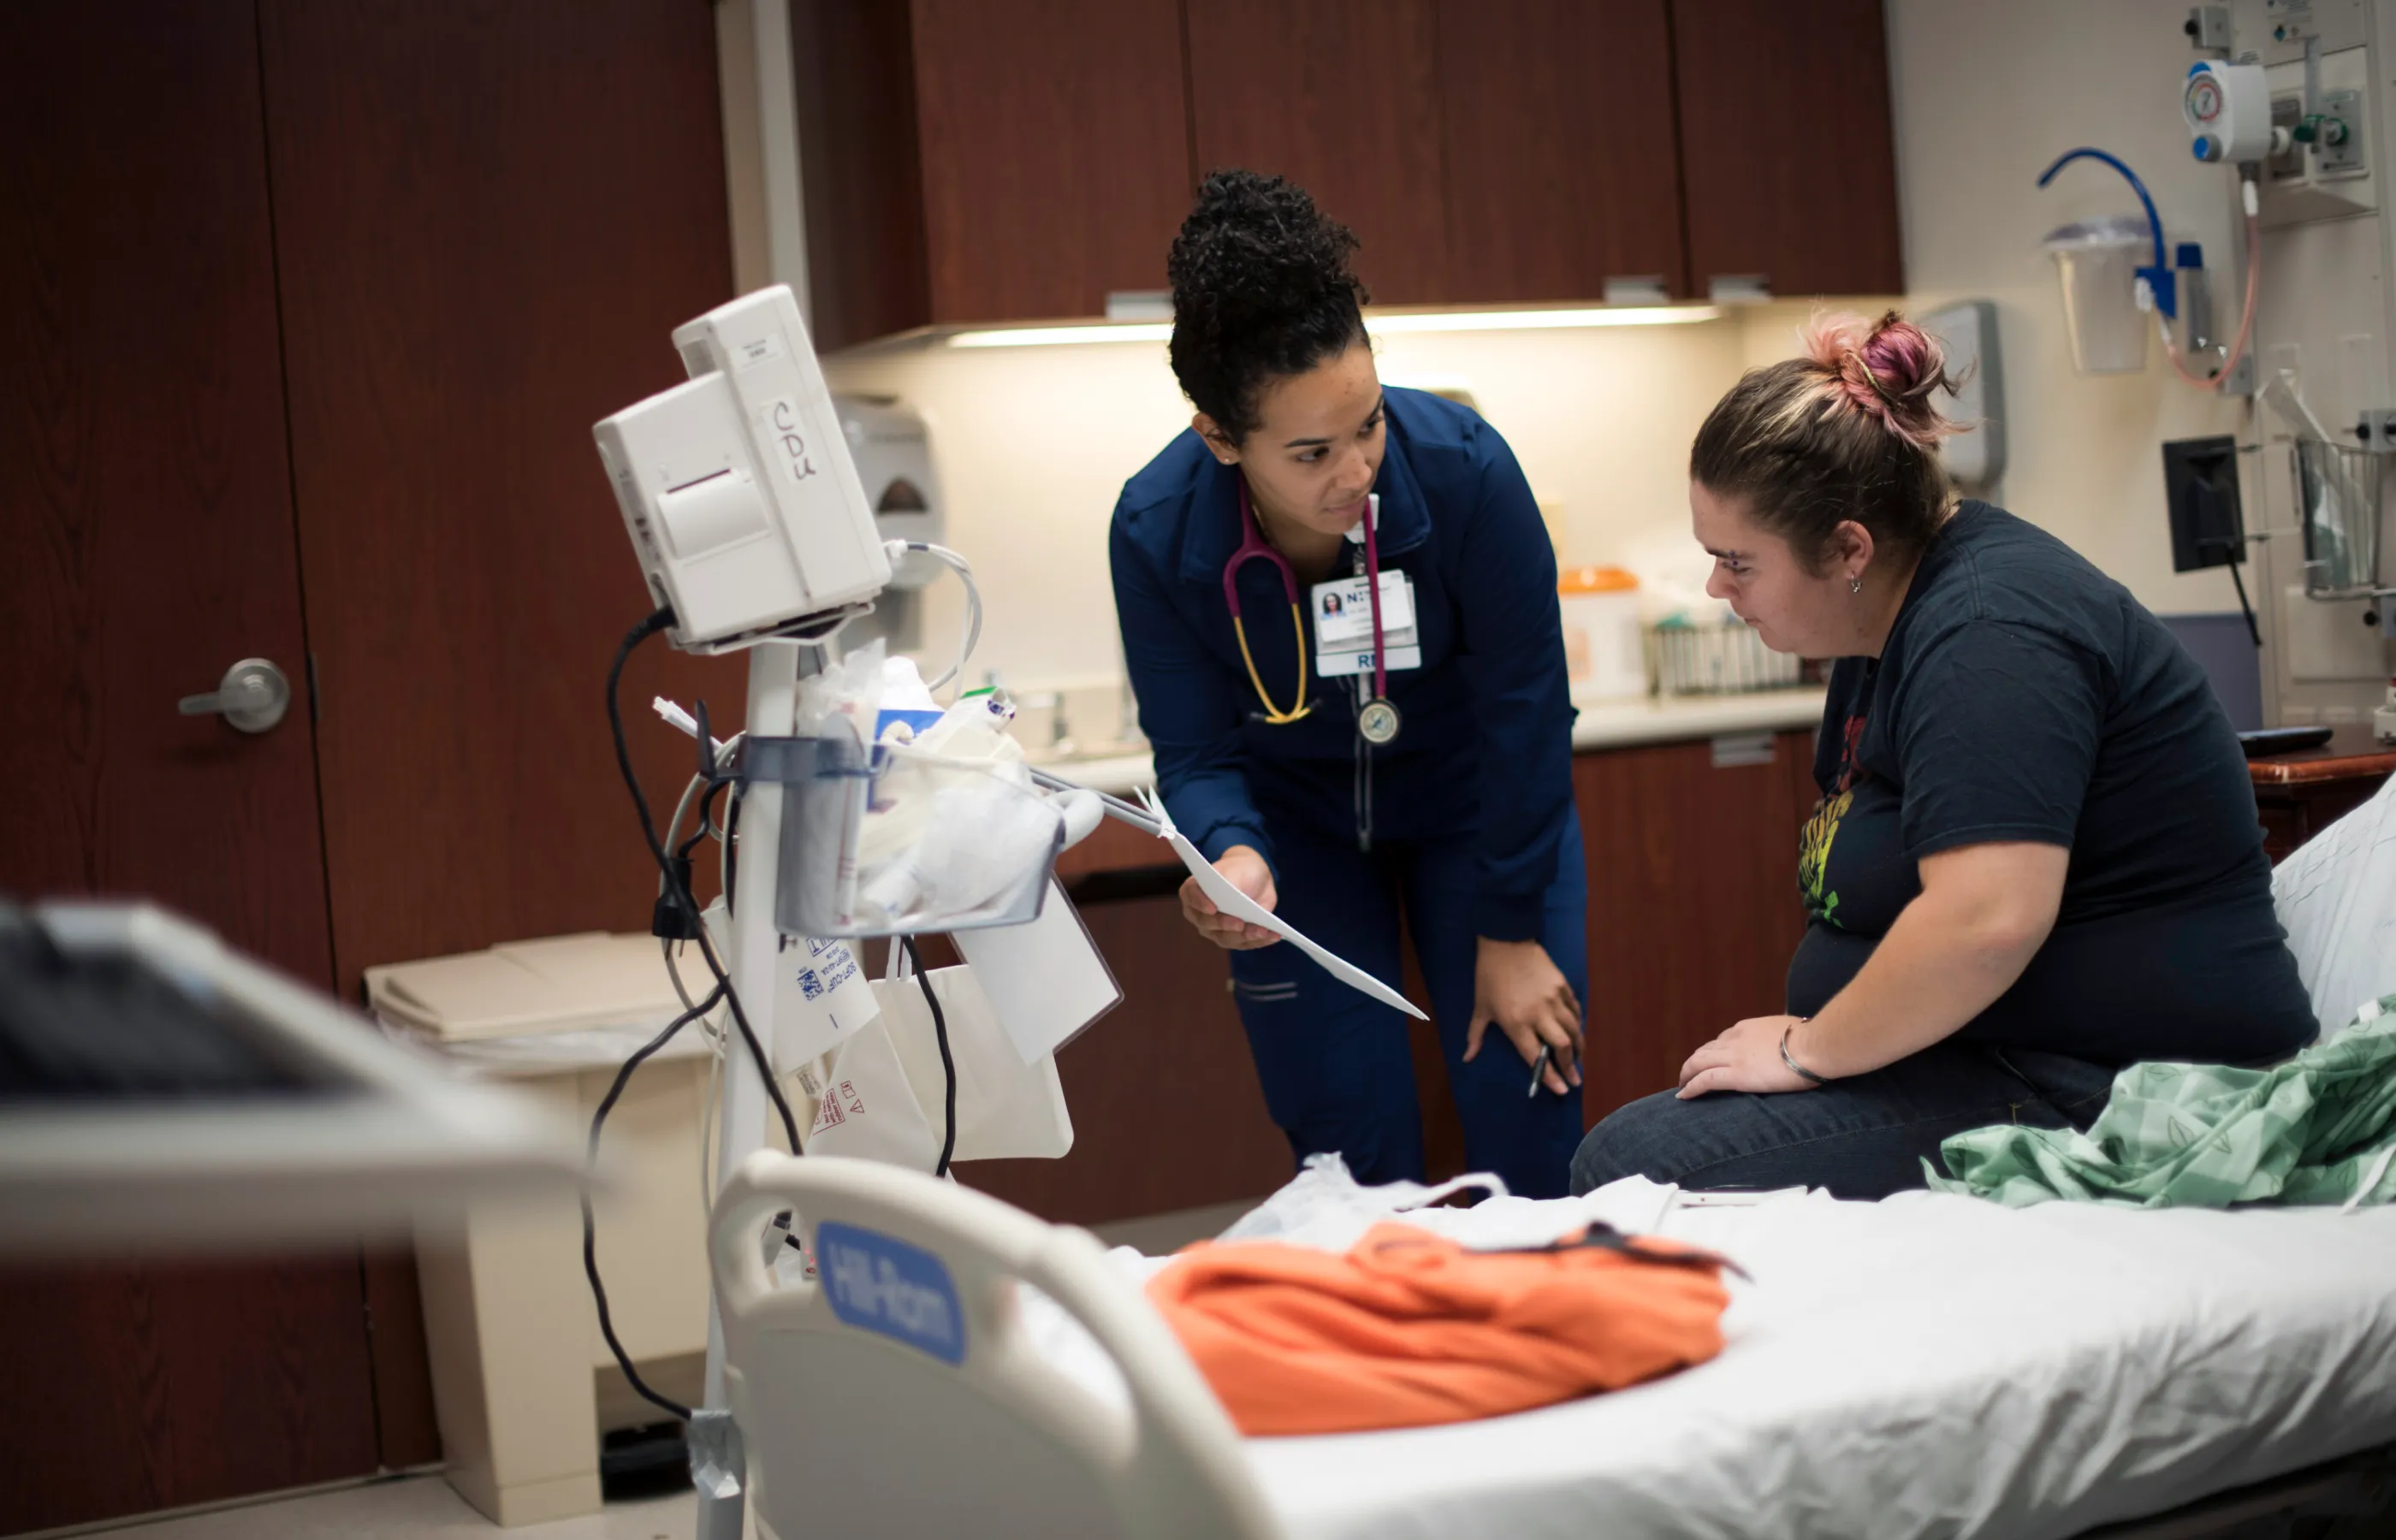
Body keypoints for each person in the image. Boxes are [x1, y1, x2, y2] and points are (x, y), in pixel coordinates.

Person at [1570, 310, 2317, 1201]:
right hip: (1993, 1058)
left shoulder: (1987, 632)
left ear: (1849, 548)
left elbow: (1986, 919)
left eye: (1737, 562)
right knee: (1645, 1151)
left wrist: (1806, 1050)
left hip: (2120, 1087)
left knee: (1639, 1169)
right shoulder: (1880, 626)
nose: (1715, 588)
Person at [1110, 170, 1586, 1198]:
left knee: (1528, 1115)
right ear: (1221, 439)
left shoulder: (1465, 475)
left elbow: (1526, 715)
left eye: (1367, 424)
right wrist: (1229, 853)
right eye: (1313, 451)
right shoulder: (1157, 530)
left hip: (1479, 817)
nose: (1357, 469)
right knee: (1348, 1156)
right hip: (1300, 837)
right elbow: (1195, 753)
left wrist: (1508, 929)